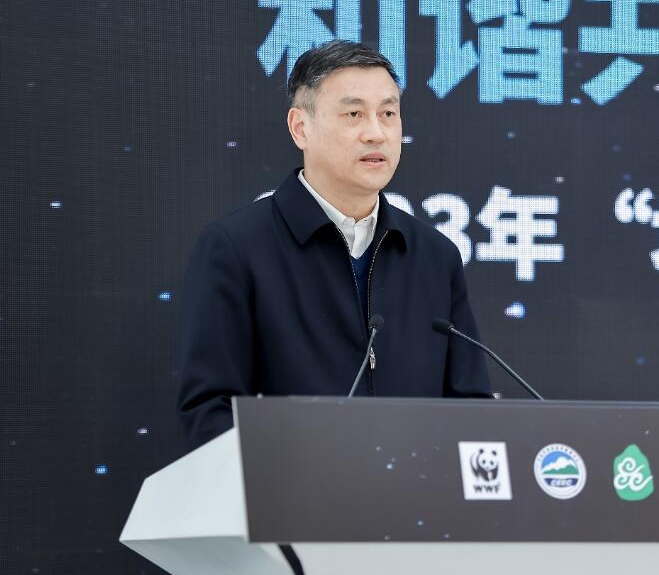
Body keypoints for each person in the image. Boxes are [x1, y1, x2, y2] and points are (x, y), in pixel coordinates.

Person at [176, 40, 493, 451]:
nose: (376, 133)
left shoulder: (435, 257)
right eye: (353, 114)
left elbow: (470, 408)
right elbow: (209, 411)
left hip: (414, 490)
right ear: (300, 128)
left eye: (388, 113)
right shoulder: (236, 249)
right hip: (290, 487)